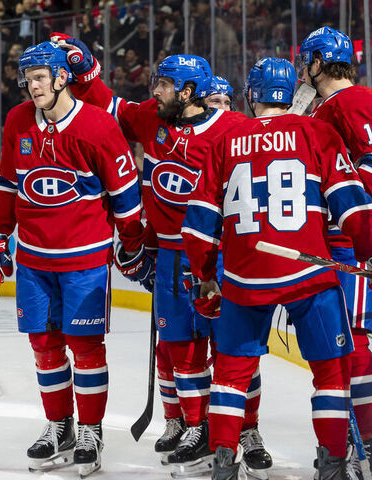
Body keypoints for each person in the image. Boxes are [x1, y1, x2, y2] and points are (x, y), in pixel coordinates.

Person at [55, 34, 255, 477]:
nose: (155, 91)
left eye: (164, 84)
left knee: (229, 347)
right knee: (182, 347)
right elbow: (107, 107)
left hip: (220, 257)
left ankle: (241, 429)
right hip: (168, 255)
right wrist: (85, 69)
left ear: (187, 92)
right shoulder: (151, 119)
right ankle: (195, 426)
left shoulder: (233, 128)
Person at [181, 57, 372, 480]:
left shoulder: (225, 140)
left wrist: (207, 274)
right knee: (330, 372)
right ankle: (332, 466)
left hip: (246, 277)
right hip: (308, 274)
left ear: (252, 95)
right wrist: (367, 247)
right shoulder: (318, 132)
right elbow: (352, 205)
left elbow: (198, 223)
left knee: (231, 373)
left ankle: (224, 465)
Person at [0, 41, 150, 478]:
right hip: (34, 259)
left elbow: (126, 199)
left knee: (86, 348)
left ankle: (92, 430)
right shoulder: (19, 120)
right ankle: (61, 426)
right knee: (44, 346)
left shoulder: (96, 125)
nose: (32, 85)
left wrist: (131, 246)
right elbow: (8, 185)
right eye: (28, 78)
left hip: (85, 260)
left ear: (62, 77)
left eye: (40, 77)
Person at [298, 27, 372, 467]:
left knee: (355, 340)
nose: (304, 70)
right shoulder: (331, 106)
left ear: (320, 62)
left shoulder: (348, 103)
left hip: (352, 242)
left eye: (307, 62)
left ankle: (366, 436)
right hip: (342, 241)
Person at [205, 75, 272, 474]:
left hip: (237, 262)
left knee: (241, 357)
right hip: (199, 260)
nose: (218, 107)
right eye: (210, 100)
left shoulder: (246, 139)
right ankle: (198, 430)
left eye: (223, 100)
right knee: (193, 353)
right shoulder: (193, 140)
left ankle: (249, 431)